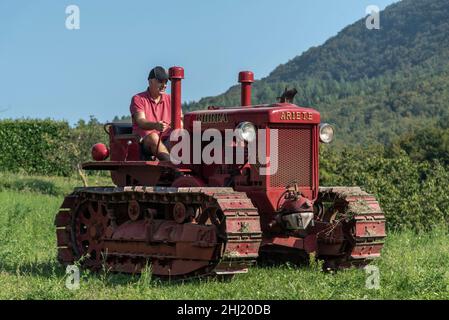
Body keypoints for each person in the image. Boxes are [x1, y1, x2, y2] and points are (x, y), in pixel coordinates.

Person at [129, 66, 173, 161]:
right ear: (150, 81)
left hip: (168, 140)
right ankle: (174, 168)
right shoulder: (138, 99)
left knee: (183, 134)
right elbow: (141, 121)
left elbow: (180, 119)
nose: (164, 85)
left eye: (166, 82)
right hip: (145, 142)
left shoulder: (171, 99)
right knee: (154, 137)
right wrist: (155, 125)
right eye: (160, 81)